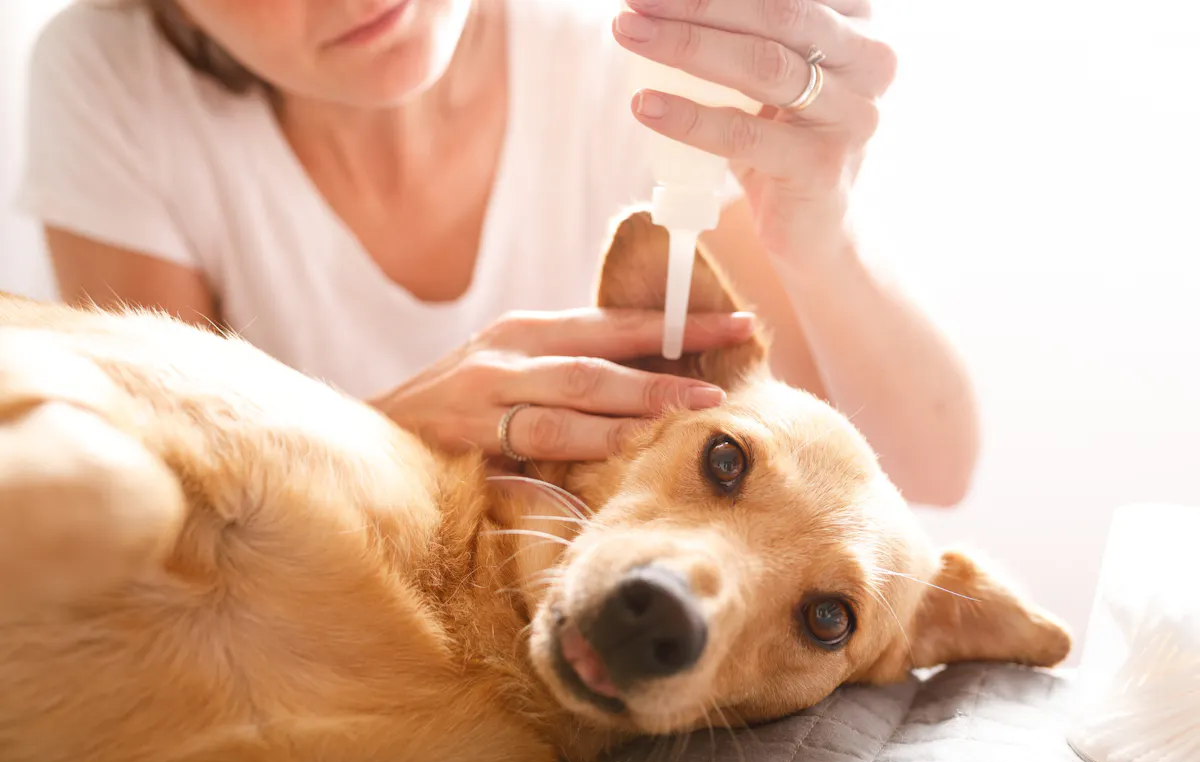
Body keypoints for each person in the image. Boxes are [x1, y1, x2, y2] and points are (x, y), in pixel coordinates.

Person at [16, 0, 980, 506]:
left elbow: (930, 470)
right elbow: (164, 511)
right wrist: (392, 437)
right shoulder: (116, 79)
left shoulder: (632, 54)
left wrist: (819, 233)